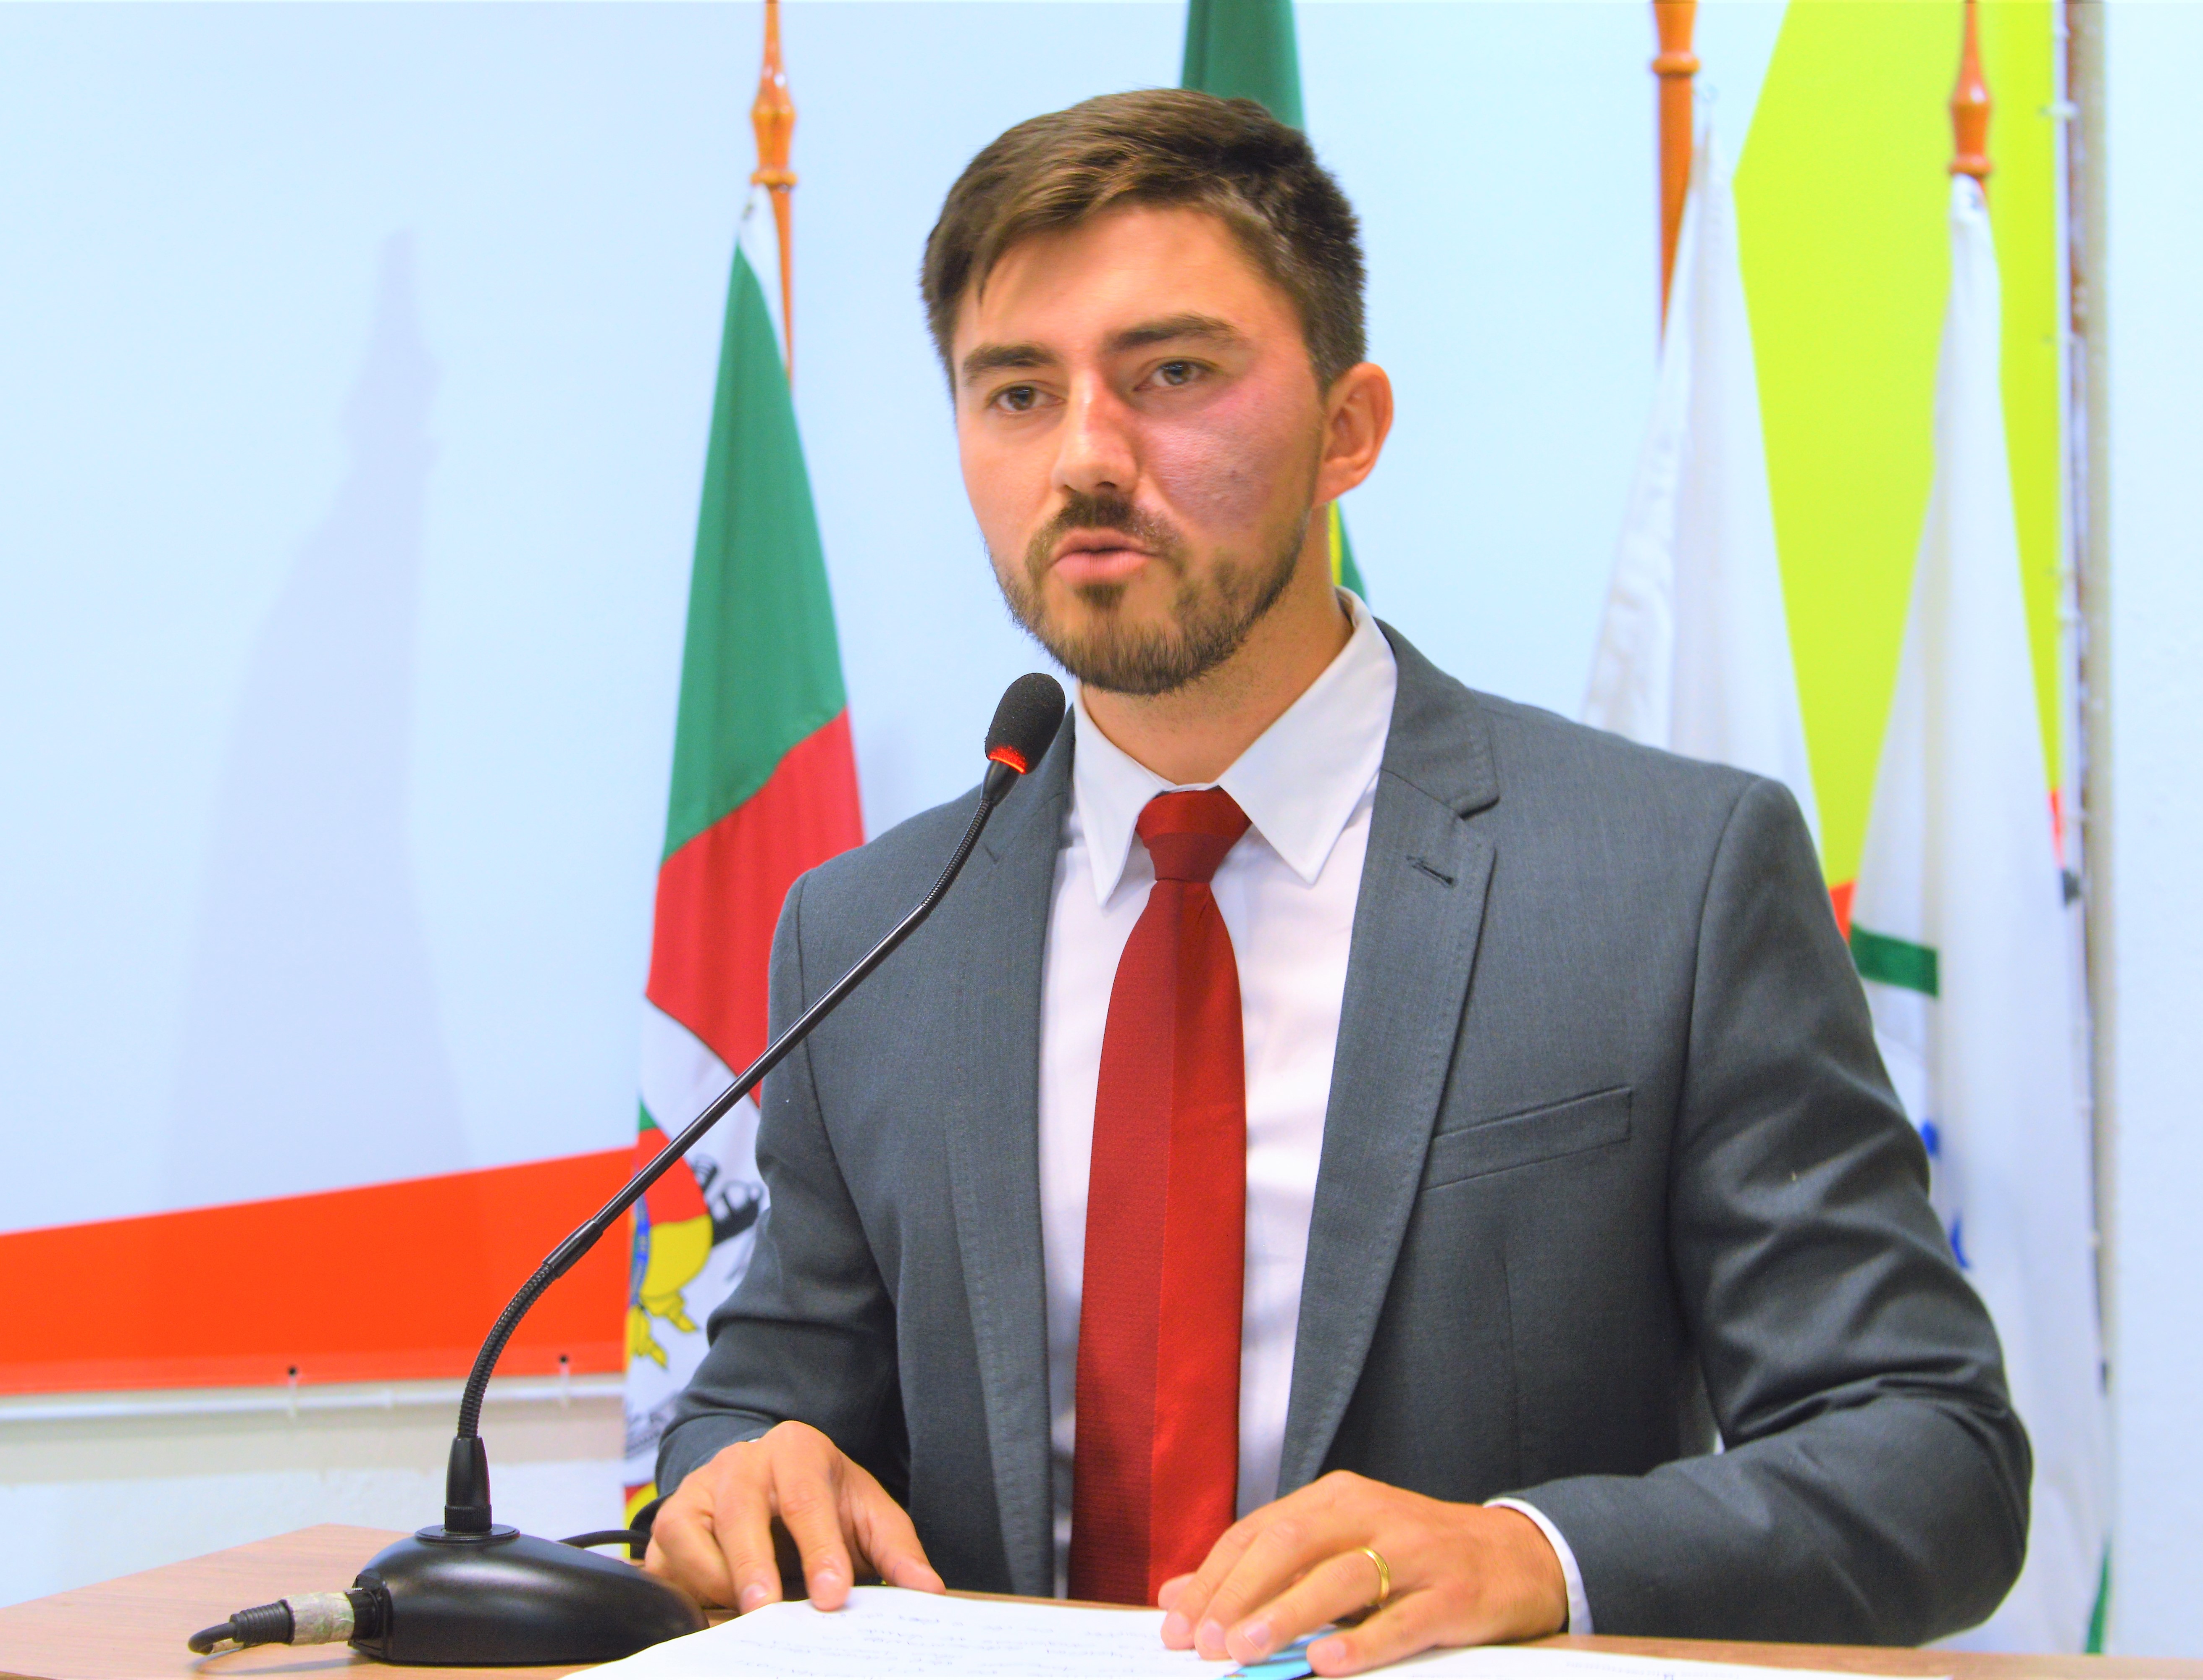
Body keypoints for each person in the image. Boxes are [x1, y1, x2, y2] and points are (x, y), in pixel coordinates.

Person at [644, 89, 2027, 1675]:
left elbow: (1933, 1458)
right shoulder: (875, 931)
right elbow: (761, 1409)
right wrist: (732, 1476)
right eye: (1017, 392)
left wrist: (1533, 1556)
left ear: (1348, 428)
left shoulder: (1670, 882)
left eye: (1172, 375)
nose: (1085, 457)